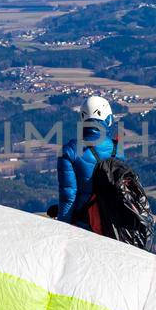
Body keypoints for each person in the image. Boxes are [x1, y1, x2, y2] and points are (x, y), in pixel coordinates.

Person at [52, 95, 118, 226]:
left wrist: (62, 225)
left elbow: (68, 195)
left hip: (85, 222)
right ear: (108, 119)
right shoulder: (117, 149)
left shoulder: (69, 151)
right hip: (113, 223)